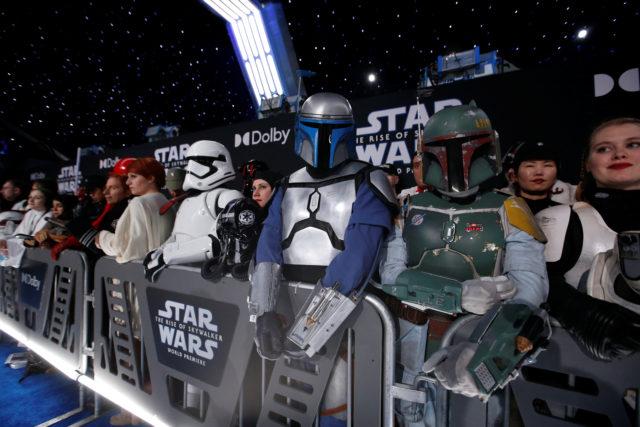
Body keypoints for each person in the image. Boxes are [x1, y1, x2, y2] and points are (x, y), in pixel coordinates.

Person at [378, 102, 549, 424]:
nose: (456, 161)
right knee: (410, 416)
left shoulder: (510, 208)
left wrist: (494, 349)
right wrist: (457, 294)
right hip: (409, 338)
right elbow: (390, 276)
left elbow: (529, 289)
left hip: (475, 338)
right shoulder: (408, 206)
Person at [249, 92, 396, 426]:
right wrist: (264, 312)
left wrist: (310, 326)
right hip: (287, 308)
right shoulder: (288, 184)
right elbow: (268, 246)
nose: (323, 140)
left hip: (346, 314)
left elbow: (359, 257)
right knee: (292, 402)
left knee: (337, 403)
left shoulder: (368, 179)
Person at [536, 117, 640, 361]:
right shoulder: (562, 221)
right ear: (589, 165)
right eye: (604, 148)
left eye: (633, 144)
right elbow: (530, 283)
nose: (619, 154)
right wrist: (580, 313)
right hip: (582, 371)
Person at [142, 140, 243, 282]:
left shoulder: (227, 197)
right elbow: (177, 236)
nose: (191, 167)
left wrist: (166, 256)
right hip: (183, 280)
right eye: (189, 161)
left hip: (213, 279)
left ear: (219, 162)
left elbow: (219, 242)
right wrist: (160, 251)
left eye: (200, 161)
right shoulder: (188, 201)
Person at [95, 157, 174, 263]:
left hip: (142, 269)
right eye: (128, 177)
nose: (128, 182)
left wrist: (102, 238)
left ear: (150, 178)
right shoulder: (165, 201)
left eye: (133, 176)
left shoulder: (139, 203)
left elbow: (128, 248)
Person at [502, 141, 576, 207]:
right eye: (530, 166)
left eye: (547, 165)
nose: (539, 172)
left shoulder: (568, 213)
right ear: (513, 175)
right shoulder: (501, 211)